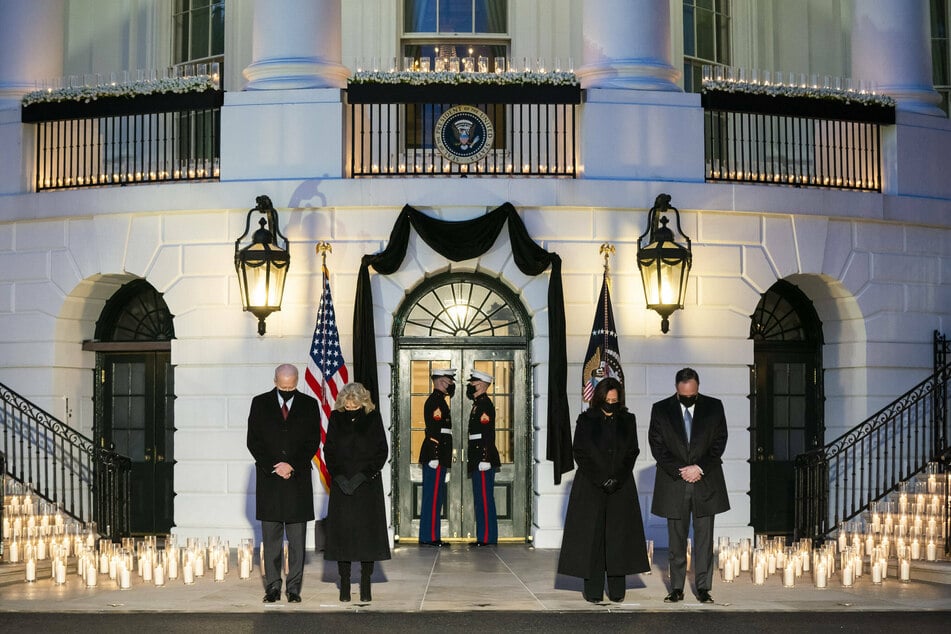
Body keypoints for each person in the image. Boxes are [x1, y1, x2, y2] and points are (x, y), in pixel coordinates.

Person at [557, 377, 650, 603]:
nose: (611, 403)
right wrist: (602, 479)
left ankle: (617, 590)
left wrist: (617, 478)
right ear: (599, 399)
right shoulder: (586, 420)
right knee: (593, 538)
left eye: (615, 400)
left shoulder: (628, 419)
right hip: (591, 486)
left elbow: (633, 451)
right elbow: (579, 452)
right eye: (607, 400)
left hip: (621, 487)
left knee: (618, 538)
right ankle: (594, 590)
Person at [648, 367, 730, 605]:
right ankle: (676, 588)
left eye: (692, 394)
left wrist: (699, 467)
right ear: (676, 389)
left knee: (704, 540)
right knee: (676, 540)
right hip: (674, 483)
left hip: (706, 481)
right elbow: (657, 446)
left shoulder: (714, 407)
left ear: (698, 388)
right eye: (684, 395)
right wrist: (681, 470)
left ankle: (703, 588)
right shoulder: (661, 409)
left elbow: (719, 441)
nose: (688, 398)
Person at [246, 363, 321, 604]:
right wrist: (275, 465)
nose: (286, 390)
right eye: (282, 386)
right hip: (270, 480)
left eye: (291, 386)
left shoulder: (310, 405)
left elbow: (313, 441)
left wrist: (292, 465)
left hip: (297, 481)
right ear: (275, 380)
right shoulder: (260, 402)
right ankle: (272, 587)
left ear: (297, 381)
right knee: (271, 541)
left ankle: (295, 588)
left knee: (298, 541)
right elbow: (253, 441)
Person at [322, 382, 391, 602]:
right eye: (347, 405)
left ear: (362, 402)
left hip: (367, 485)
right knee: (343, 536)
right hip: (342, 485)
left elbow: (382, 450)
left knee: (366, 537)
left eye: (354, 406)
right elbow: (329, 450)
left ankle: (366, 583)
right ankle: (344, 582)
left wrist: (362, 477)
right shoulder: (336, 418)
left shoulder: (373, 418)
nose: (350, 408)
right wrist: (339, 478)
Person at [418, 368, 457, 546]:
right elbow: (433, 430)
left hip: (440, 455)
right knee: (432, 497)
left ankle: (430, 535)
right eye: (448, 381)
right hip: (435, 455)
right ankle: (429, 537)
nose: (450, 384)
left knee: (435, 496)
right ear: (440, 381)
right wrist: (434, 455)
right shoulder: (435, 401)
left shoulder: (440, 400)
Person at [466, 369, 501, 545]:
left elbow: (488, 434)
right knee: (480, 498)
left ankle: (487, 537)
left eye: (473, 382)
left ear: (481, 384)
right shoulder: (478, 404)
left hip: (482, 457)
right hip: (477, 456)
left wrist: (485, 458)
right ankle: (484, 536)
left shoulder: (485, 404)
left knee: (485, 499)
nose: (470, 385)